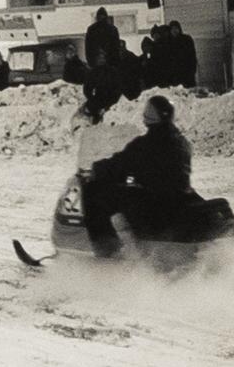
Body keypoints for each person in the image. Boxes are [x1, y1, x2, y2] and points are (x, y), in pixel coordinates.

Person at [83, 95, 195, 260]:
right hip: (177, 198)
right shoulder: (181, 141)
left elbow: (119, 164)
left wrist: (96, 169)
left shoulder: (146, 144)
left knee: (92, 193)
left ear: (149, 116)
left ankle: (107, 253)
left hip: (154, 202)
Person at [84, 7, 121, 71]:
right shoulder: (112, 29)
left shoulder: (91, 29)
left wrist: (91, 62)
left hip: (97, 63)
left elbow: (88, 47)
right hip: (110, 63)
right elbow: (116, 48)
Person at [168, 20, 197, 88]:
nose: (174, 30)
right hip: (175, 75)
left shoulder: (186, 39)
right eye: (172, 29)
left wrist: (192, 70)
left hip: (187, 72)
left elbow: (192, 56)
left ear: (179, 29)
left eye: (176, 28)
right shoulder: (169, 42)